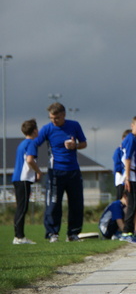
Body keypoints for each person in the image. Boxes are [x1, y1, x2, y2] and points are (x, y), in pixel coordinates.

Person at [35, 102, 87, 243]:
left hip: (73, 171)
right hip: (55, 172)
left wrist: (75, 145)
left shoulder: (74, 125)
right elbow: (34, 142)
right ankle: (53, 233)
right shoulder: (47, 129)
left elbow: (84, 143)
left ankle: (73, 234)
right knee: (53, 204)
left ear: (63, 115)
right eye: (51, 118)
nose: (54, 121)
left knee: (76, 203)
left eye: (56, 118)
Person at [12, 119, 43, 245]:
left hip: (17, 178)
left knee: (20, 208)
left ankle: (18, 236)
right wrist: (38, 171)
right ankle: (19, 237)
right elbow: (30, 160)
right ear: (35, 130)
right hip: (23, 179)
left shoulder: (22, 143)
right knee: (22, 208)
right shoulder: (31, 143)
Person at [119, 115, 136, 243]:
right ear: (132, 126)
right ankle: (127, 232)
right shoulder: (131, 138)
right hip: (131, 174)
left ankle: (129, 231)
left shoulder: (134, 139)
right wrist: (128, 178)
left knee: (135, 203)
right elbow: (127, 158)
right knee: (132, 204)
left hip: (134, 173)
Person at [113, 129, 130, 201]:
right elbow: (117, 164)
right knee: (120, 197)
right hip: (120, 178)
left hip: (127, 177)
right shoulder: (119, 150)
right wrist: (122, 171)